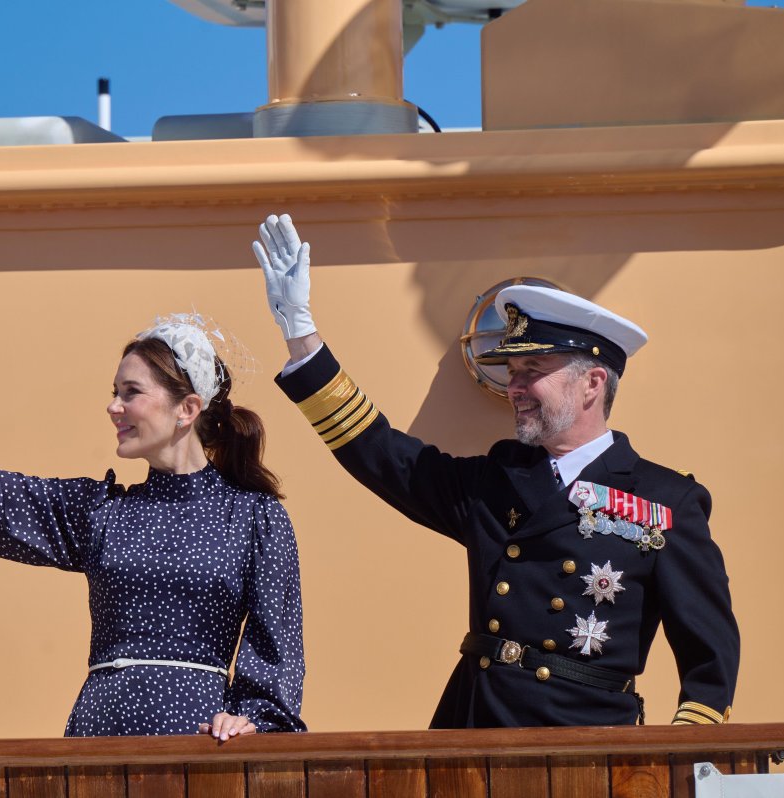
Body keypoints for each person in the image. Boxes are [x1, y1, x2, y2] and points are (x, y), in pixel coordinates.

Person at [252, 215, 738, 728]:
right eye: (511, 374)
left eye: (533, 372)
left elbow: (710, 657)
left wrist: (679, 756)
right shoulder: (497, 481)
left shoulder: (666, 500)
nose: (515, 387)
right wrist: (301, 334)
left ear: (592, 383)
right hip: (473, 730)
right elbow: (385, 456)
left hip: (586, 743)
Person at [0, 273, 306, 739]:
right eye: (114, 393)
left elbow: (276, 652)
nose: (114, 407)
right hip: (99, 739)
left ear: (187, 408)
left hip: (198, 747)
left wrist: (253, 720)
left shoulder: (255, 517)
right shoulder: (101, 512)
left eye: (131, 392)